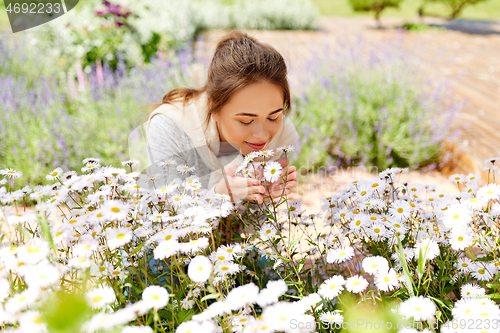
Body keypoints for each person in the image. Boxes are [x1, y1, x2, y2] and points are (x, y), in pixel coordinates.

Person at [141, 30, 300, 205]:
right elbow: (165, 217)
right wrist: (218, 196)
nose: (262, 135)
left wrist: (261, 198)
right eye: (246, 121)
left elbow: (246, 230)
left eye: (273, 117)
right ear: (213, 107)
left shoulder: (278, 131)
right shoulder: (171, 127)